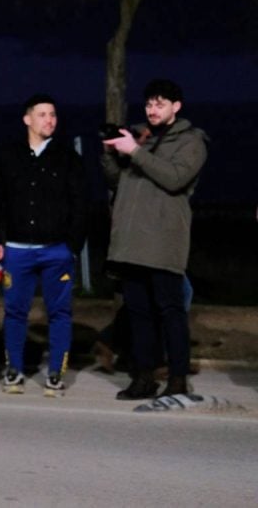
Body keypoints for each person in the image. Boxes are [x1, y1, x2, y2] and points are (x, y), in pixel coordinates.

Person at [102, 79, 208, 400]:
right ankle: (143, 377)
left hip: (163, 240)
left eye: (160, 103)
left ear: (176, 106)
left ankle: (177, 378)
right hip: (130, 241)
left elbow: (174, 178)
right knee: (138, 314)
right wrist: (109, 150)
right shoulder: (140, 136)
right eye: (149, 103)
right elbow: (117, 180)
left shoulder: (192, 141)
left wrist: (134, 151)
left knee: (171, 312)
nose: (152, 109)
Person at [0, 93, 87, 398]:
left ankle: (56, 373)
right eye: (42, 114)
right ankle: (14, 369)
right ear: (27, 119)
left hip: (57, 250)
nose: (49, 120)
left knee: (60, 312)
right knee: (15, 312)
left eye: (53, 114)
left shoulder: (68, 158)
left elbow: (80, 204)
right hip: (16, 249)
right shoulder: (7, 156)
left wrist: (72, 246)